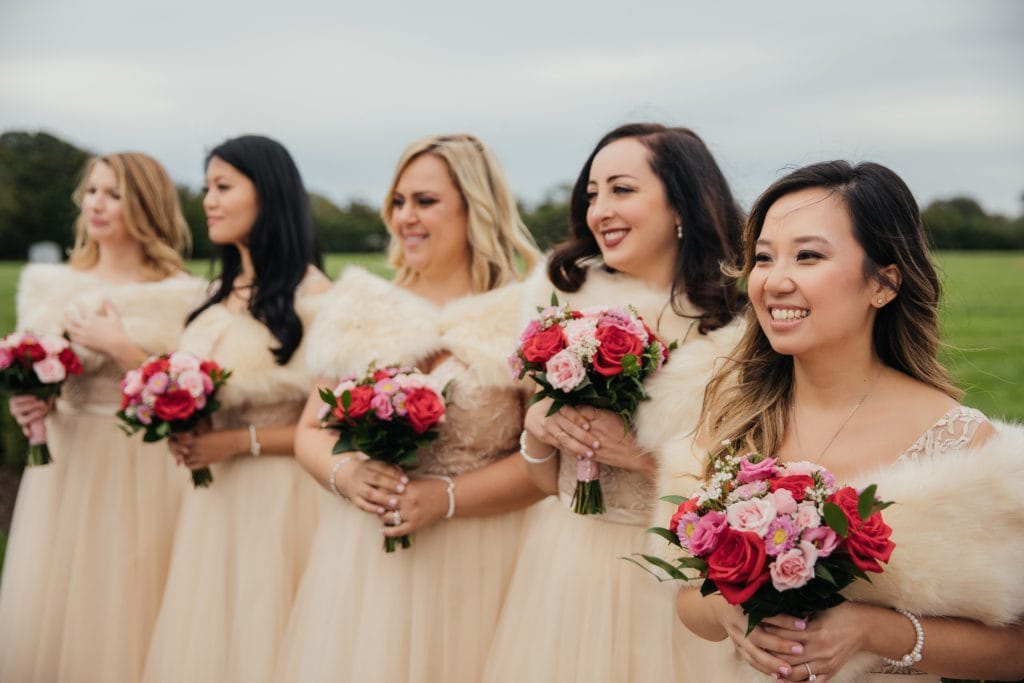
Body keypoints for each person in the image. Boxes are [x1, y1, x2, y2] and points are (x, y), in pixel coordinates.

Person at [675, 160, 1024, 682]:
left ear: (883, 283)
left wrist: (870, 631)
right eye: (764, 258)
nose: (775, 281)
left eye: (808, 256)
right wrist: (726, 608)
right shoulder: (733, 421)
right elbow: (685, 599)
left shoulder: (963, 444)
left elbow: (1014, 650)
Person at [275, 133, 544, 682]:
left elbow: (545, 466)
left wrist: (444, 498)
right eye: (398, 202)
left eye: (425, 201)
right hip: (367, 562)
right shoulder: (360, 307)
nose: (405, 218)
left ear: (475, 207)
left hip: (490, 558)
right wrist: (345, 472)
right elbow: (310, 429)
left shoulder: (524, 315)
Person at [483, 123, 747, 682]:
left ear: (683, 202)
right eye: (592, 193)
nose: (600, 209)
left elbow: (757, 484)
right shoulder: (564, 299)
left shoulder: (741, 326)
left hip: (679, 581)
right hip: (564, 563)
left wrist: (643, 459)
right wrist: (537, 427)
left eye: (622, 190)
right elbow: (541, 483)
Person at [0, 152, 205, 682]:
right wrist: (30, 402)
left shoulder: (182, 294)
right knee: (68, 591)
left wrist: (119, 346)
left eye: (113, 194)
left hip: (148, 463)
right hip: (71, 462)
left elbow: (189, 395)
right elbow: (39, 372)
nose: (97, 204)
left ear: (145, 206)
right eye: (92, 191)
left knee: (140, 590)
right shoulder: (50, 286)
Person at [141, 135, 330, 683]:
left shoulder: (315, 299)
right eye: (206, 188)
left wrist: (232, 442)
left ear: (268, 194)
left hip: (280, 500)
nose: (208, 201)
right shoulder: (216, 296)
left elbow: (329, 425)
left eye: (224, 187)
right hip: (212, 498)